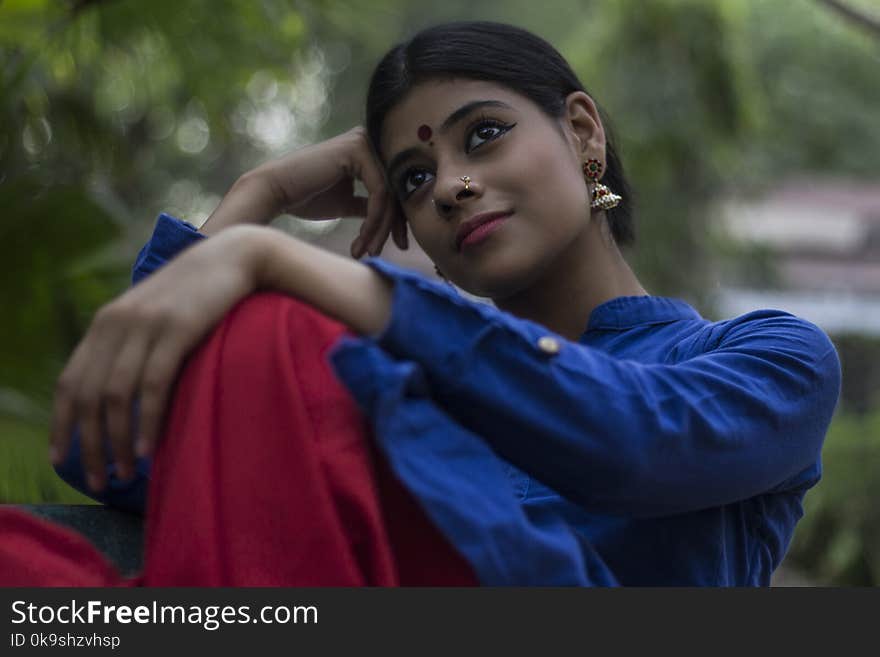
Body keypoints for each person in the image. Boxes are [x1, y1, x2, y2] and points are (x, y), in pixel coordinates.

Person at [1, 21, 840, 586]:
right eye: (413, 176)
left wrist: (272, 265)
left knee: (273, 333)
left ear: (583, 131)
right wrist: (259, 196)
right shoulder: (405, 374)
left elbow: (633, 440)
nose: (452, 185)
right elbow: (120, 458)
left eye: (483, 134)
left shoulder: (769, 358)